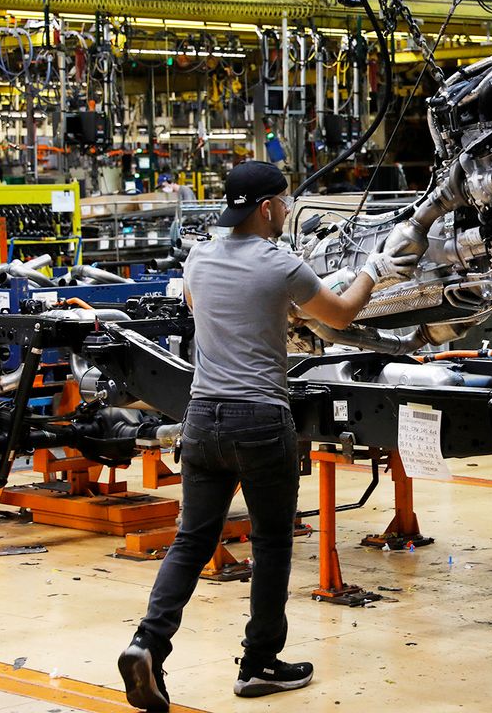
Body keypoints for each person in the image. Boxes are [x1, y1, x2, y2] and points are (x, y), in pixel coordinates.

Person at [119, 160, 417, 711]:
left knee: (192, 539)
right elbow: (344, 314)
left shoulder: (200, 256)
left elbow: (193, 305)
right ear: (267, 208)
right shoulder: (282, 265)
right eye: (283, 202)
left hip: (203, 417)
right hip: (260, 420)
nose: (286, 211)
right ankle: (258, 664)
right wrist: (375, 269)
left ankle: (147, 643)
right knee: (273, 541)